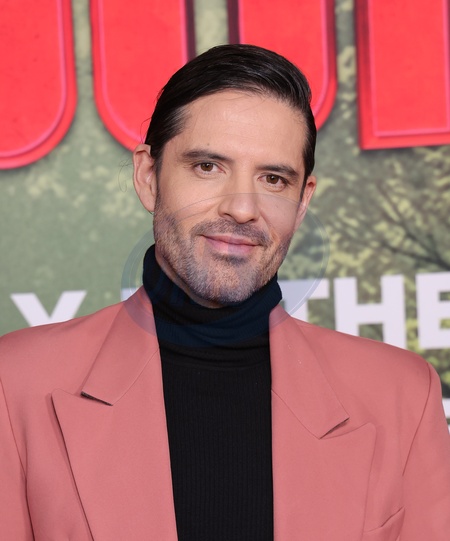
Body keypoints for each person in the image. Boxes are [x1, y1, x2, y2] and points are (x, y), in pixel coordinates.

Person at [1, 44, 449, 541]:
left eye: (273, 179)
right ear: (148, 177)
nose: (241, 208)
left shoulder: (401, 396)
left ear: (302, 203)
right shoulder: (15, 383)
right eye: (208, 167)